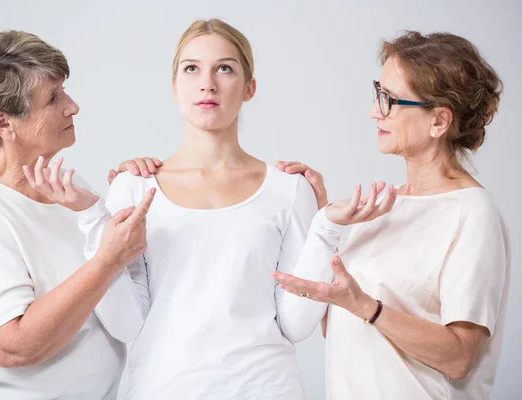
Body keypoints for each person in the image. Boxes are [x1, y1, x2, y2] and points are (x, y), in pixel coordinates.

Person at [28, 19, 394, 399]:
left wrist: (326, 227)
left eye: (225, 68)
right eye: (191, 69)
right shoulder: (133, 187)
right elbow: (128, 324)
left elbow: (295, 325)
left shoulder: (290, 189)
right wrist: (91, 216)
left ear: (249, 88)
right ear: (174, 87)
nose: (208, 83)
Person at [273, 31, 511, 400]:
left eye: (389, 100)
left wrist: (364, 305)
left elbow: (461, 357)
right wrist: (323, 217)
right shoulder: (385, 204)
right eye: (377, 93)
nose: (374, 111)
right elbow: (343, 326)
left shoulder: (472, 213)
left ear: (438, 121)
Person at [0, 30, 154, 399]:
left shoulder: (67, 185)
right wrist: (108, 259)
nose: (72, 106)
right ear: (4, 124)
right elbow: (12, 346)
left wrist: (128, 189)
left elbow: (119, 295)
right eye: (53, 98)